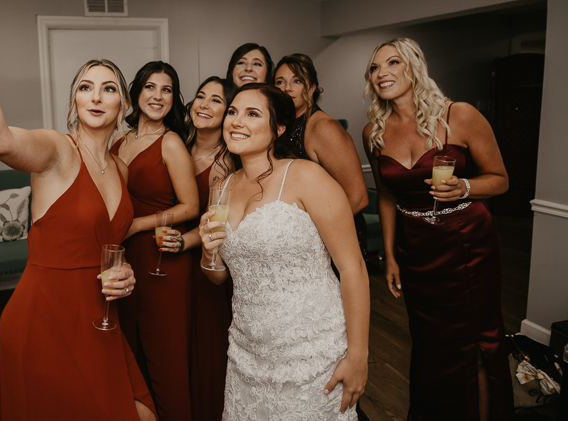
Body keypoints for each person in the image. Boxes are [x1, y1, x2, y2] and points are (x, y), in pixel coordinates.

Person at [0, 0, 155, 421]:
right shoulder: (56, 150)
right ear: (74, 101)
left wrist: (127, 275)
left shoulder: (121, 168)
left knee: (140, 412)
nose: (97, 95)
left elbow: (109, 246)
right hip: (45, 319)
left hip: (100, 318)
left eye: (109, 87)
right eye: (85, 86)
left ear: (123, 105)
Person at [362, 38, 513, 420]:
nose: (383, 74)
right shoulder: (373, 133)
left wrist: (465, 186)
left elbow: (500, 179)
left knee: (474, 343)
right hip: (417, 248)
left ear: (413, 67)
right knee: (431, 345)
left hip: (467, 244)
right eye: (375, 68)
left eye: (393, 63)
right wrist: (391, 255)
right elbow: (385, 196)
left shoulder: (458, 115)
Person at [201, 84, 370, 420]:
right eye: (233, 112)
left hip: (311, 353)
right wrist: (209, 253)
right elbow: (219, 278)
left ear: (278, 128)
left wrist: (358, 358)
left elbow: (353, 270)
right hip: (248, 354)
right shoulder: (219, 189)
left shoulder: (307, 176)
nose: (237, 121)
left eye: (252, 114)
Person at [110, 61, 199, 421]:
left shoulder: (171, 142)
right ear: (136, 93)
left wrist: (137, 225)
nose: (158, 96)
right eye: (150, 87)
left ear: (173, 98)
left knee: (165, 356)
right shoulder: (120, 140)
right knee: (130, 350)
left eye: (166, 90)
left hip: (160, 258)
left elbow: (191, 205)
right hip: (125, 258)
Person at [160, 76, 237, 421]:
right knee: (175, 344)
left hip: (207, 261)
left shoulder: (226, 162)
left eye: (216, 101)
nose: (204, 104)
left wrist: (182, 242)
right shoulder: (177, 143)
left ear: (229, 112)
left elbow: (215, 223)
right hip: (169, 259)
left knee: (206, 347)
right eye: (200, 97)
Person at [274, 54, 370, 256]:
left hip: (332, 242)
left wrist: (305, 235)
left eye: (297, 81)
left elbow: (358, 198)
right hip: (298, 242)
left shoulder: (323, 127)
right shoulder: (283, 126)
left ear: (311, 88)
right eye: (280, 82)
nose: (287, 88)